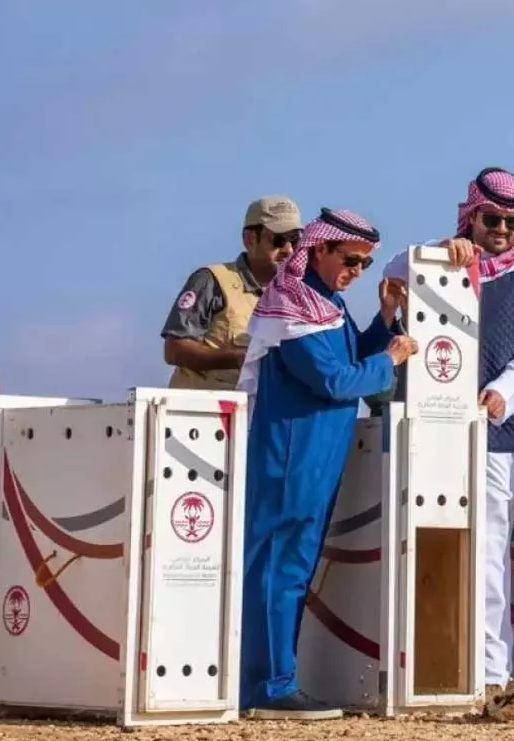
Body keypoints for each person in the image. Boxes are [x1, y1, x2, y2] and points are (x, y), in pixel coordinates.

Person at [377, 167, 514, 702]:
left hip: (496, 435)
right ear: (471, 215)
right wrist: (441, 251)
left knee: (490, 553)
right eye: (491, 218)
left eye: (510, 222)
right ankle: (424, 672)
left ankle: (492, 675)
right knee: (421, 543)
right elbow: (390, 273)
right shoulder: (439, 258)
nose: (500, 230)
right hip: (429, 429)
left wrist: (502, 393)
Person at [236, 208, 418, 719]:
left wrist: (385, 319)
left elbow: (350, 358)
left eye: (365, 264)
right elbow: (336, 380)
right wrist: (391, 360)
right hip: (290, 457)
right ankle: (267, 686)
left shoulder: (324, 304)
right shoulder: (293, 307)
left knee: (293, 569)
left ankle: (277, 680)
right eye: (351, 260)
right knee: (278, 569)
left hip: (315, 458)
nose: (357, 271)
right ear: (319, 249)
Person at [161, 196, 302, 390]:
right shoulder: (212, 280)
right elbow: (175, 350)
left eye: (295, 241)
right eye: (279, 240)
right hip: (202, 406)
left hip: (260, 406)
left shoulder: (299, 296)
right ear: (250, 239)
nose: (289, 250)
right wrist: (238, 358)